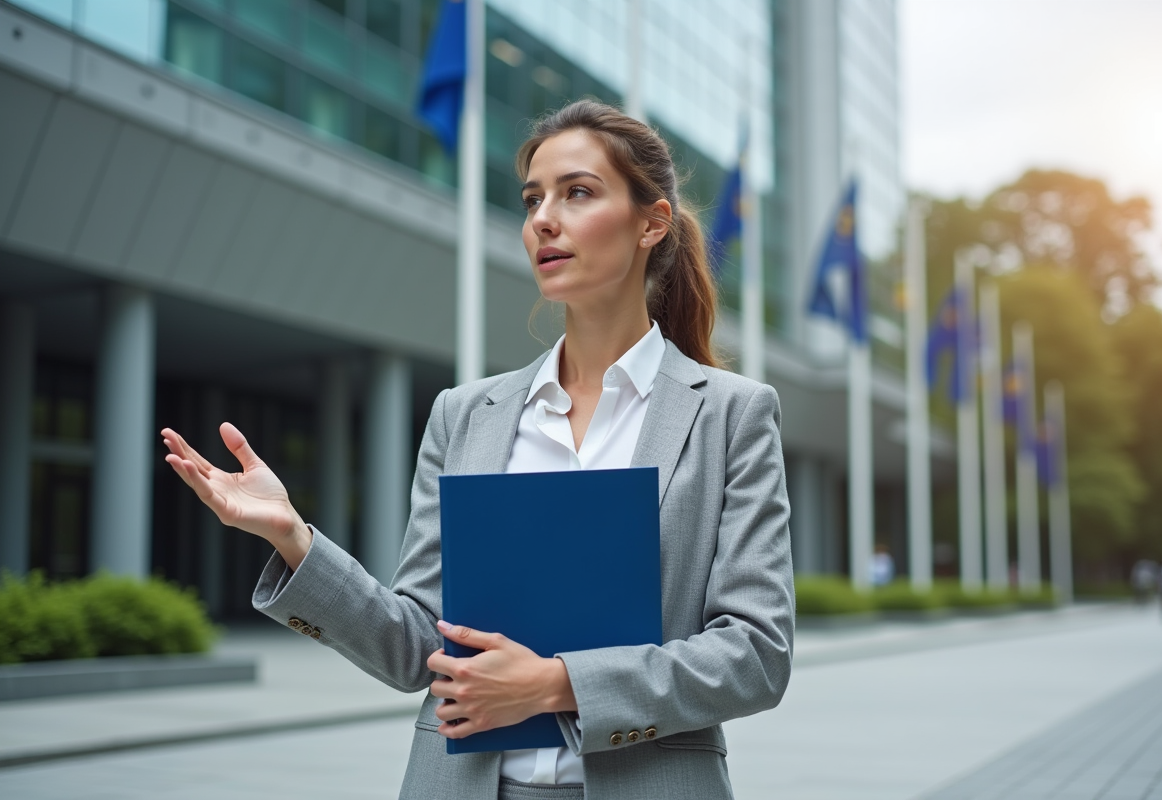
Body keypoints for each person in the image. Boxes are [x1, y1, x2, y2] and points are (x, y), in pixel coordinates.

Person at [161, 100, 795, 800]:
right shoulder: (467, 416)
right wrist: (292, 538)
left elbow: (756, 655)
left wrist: (558, 686)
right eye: (532, 199)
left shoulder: (731, 414)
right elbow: (414, 647)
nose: (543, 219)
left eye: (577, 192)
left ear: (652, 222)